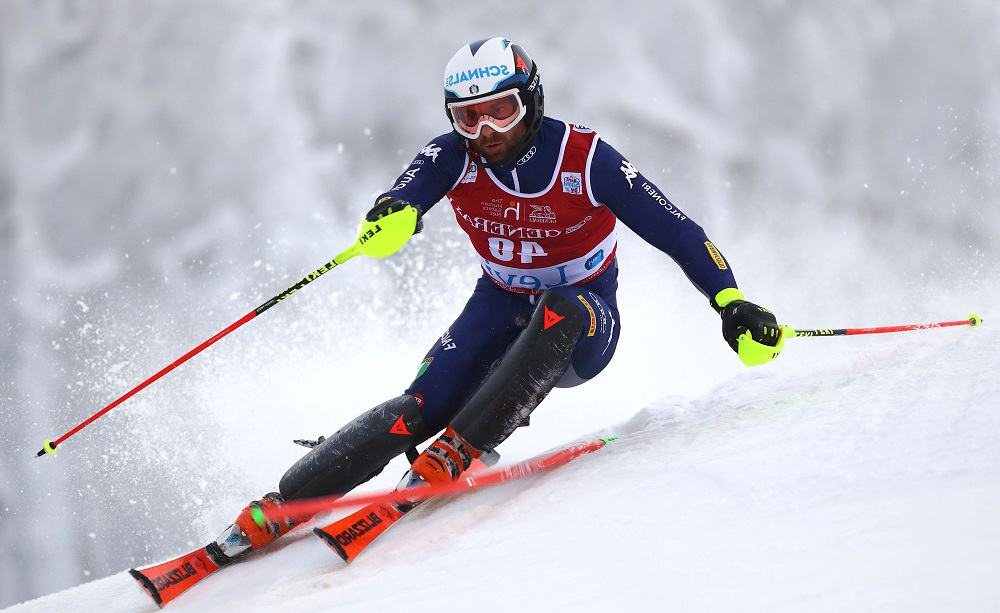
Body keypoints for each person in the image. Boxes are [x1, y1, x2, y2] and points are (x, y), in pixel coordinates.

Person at [207, 36, 785, 563]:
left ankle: (465, 446)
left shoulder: (586, 159)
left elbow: (677, 230)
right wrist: (393, 215)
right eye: (468, 117)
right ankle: (276, 507)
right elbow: (406, 193)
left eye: (500, 112)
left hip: (582, 321)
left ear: (530, 102)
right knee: (415, 408)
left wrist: (730, 302)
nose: (486, 132)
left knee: (559, 305)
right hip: (499, 304)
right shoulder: (454, 157)